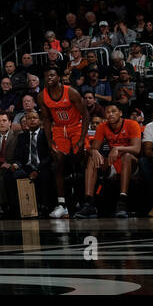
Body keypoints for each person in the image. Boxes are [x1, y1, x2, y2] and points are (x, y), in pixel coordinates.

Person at [74, 104, 141, 218]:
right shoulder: (102, 126)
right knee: (92, 158)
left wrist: (118, 148)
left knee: (127, 156)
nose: (110, 114)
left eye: (113, 111)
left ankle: (122, 201)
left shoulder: (132, 124)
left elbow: (136, 149)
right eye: (107, 112)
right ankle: (89, 203)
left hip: (130, 163)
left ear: (120, 113)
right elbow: (94, 148)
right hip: (112, 162)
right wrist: (93, 151)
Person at [40, 68, 88, 218]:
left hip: (76, 127)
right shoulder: (42, 96)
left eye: (52, 74)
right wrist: (49, 141)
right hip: (59, 129)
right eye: (47, 75)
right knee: (57, 163)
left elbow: (85, 114)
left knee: (79, 161)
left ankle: (83, 201)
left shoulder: (71, 92)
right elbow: (47, 120)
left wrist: (81, 138)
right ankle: (62, 205)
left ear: (59, 77)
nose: (49, 77)